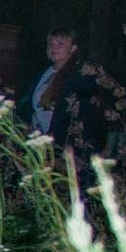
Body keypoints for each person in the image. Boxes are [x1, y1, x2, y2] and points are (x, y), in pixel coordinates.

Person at [25, 27, 106, 165]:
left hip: (63, 147)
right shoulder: (44, 73)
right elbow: (29, 105)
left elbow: (86, 116)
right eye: (50, 43)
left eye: (60, 44)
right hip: (38, 143)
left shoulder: (80, 77)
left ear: (73, 48)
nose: (53, 48)